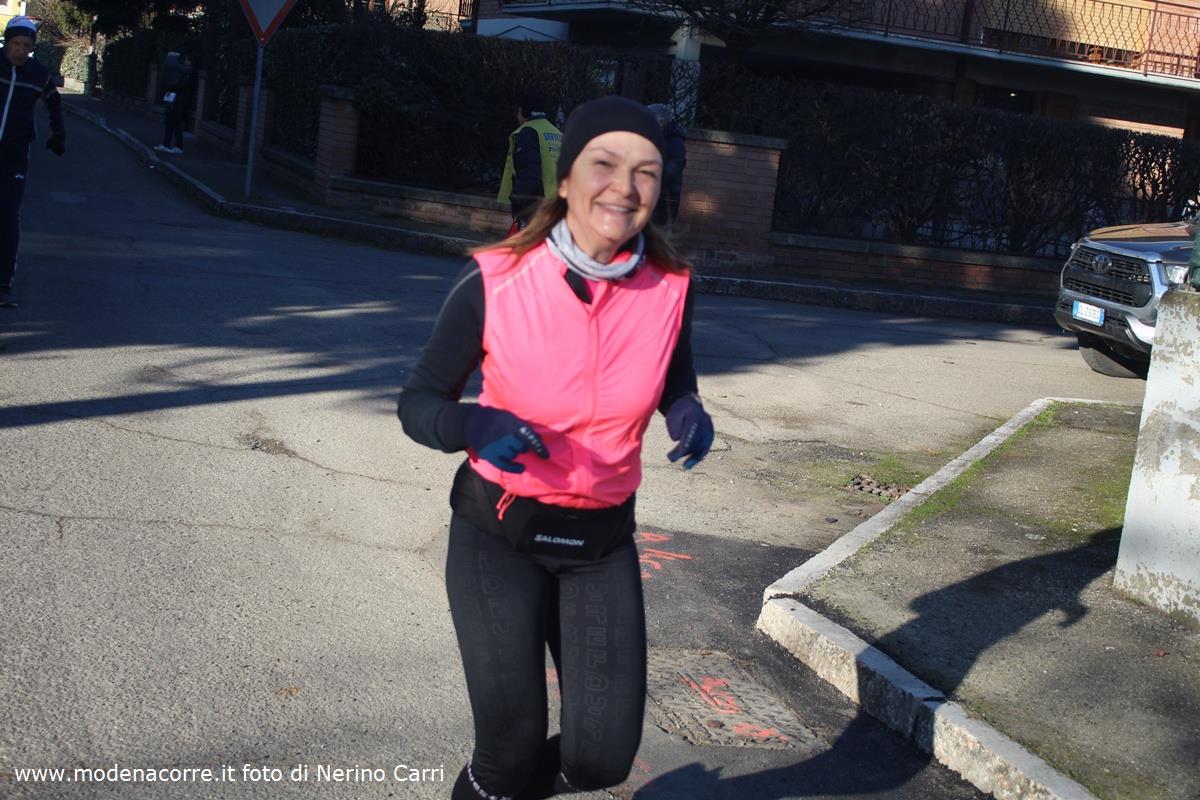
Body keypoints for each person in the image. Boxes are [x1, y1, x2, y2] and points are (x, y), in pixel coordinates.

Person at [399, 95, 714, 800]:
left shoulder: (671, 288)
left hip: (599, 544)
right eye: (605, 165)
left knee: (601, 762)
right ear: (566, 178)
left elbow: (674, 371)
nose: (625, 186)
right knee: (508, 754)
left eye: (646, 171)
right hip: (498, 535)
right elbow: (417, 403)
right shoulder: (496, 278)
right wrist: (473, 426)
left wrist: (686, 408)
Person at [1, 16, 65, 309]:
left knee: (7, 215)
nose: (20, 50)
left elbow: (54, 102)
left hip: (15, 152)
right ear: (7, 42)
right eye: (16, 44)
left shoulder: (38, 74)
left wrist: (58, 133)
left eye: (26, 46)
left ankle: (3, 284)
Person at [497, 92, 562, 232]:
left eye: (518, 112)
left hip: (534, 207)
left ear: (524, 112)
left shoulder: (528, 133)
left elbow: (528, 173)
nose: (517, 116)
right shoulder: (557, 134)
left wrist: (519, 204)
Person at [646, 103, 686, 230]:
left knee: (658, 232)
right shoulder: (659, 138)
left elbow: (672, 171)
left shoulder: (674, 142)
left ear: (661, 121)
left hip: (665, 198)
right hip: (659, 195)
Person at [154, 52, 192, 155]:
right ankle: (177, 146)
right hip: (179, 99)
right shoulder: (183, 71)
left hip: (171, 97)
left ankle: (168, 144)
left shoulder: (167, 70)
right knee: (176, 123)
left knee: (170, 122)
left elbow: (164, 83)